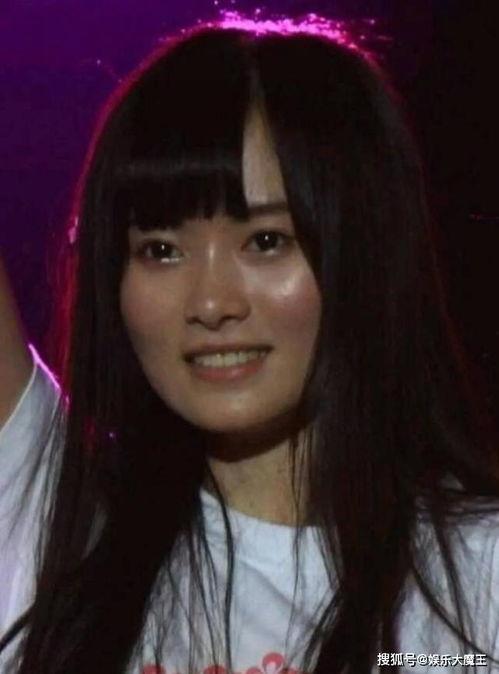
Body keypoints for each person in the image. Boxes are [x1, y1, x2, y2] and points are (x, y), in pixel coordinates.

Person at [1, 16, 499, 674]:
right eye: (160, 249)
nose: (211, 304)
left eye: (266, 241)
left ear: (368, 251)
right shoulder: (58, 520)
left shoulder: (479, 575)